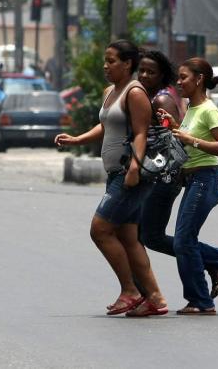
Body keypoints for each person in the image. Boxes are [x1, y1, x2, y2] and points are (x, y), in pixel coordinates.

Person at [54, 40, 169, 317]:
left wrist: (134, 166)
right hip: (115, 172)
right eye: (105, 61)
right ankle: (154, 297)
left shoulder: (135, 92)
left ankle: (129, 290)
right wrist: (78, 139)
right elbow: (106, 125)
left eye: (112, 61)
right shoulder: (111, 92)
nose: (106, 66)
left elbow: (141, 132)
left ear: (127, 63)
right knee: (128, 237)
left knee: (100, 229)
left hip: (129, 174)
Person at [152, 57, 218, 315]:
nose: (179, 82)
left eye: (184, 77)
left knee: (184, 241)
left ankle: (201, 300)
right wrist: (176, 127)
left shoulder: (209, 109)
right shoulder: (190, 108)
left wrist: (190, 139)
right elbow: (191, 137)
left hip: (206, 179)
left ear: (199, 79)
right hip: (194, 180)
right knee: (184, 240)